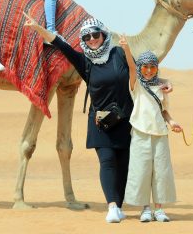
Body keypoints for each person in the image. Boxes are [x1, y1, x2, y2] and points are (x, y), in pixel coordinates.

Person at [24, 14, 171, 223]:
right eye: (87, 37)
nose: (92, 39)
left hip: (127, 120)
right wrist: (38, 27)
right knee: (107, 161)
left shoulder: (119, 54)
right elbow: (60, 44)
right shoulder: (85, 62)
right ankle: (111, 206)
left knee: (124, 164)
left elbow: (142, 74)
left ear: (103, 35)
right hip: (101, 122)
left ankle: (118, 206)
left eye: (95, 35)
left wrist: (165, 82)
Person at [119, 37, 182, 223]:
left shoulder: (162, 87)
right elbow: (131, 68)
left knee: (161, 171)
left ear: (157, 69)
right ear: (140, 68)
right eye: (145, 67)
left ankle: (159, 209)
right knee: (142, 170)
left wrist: (172, 123)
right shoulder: (136, 85)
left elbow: (164, 112)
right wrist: (126, 49)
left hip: (160, 134)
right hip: (140, 133)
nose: (148, 70)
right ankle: (145, 208)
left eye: (152, 67)